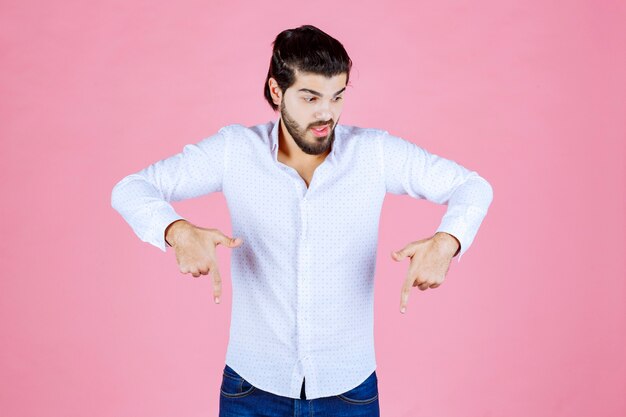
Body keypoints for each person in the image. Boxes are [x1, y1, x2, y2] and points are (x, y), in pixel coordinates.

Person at [111, 24, 493, 417]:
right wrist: (175, 231)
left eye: (337, 96)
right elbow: (130, 188)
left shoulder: (374, 153)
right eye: (310, 98)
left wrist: (448, 241)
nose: (326, 113)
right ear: (277, 91)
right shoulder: (234, 151)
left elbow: (472, 185)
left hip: (349, 390)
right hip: (251, 389)